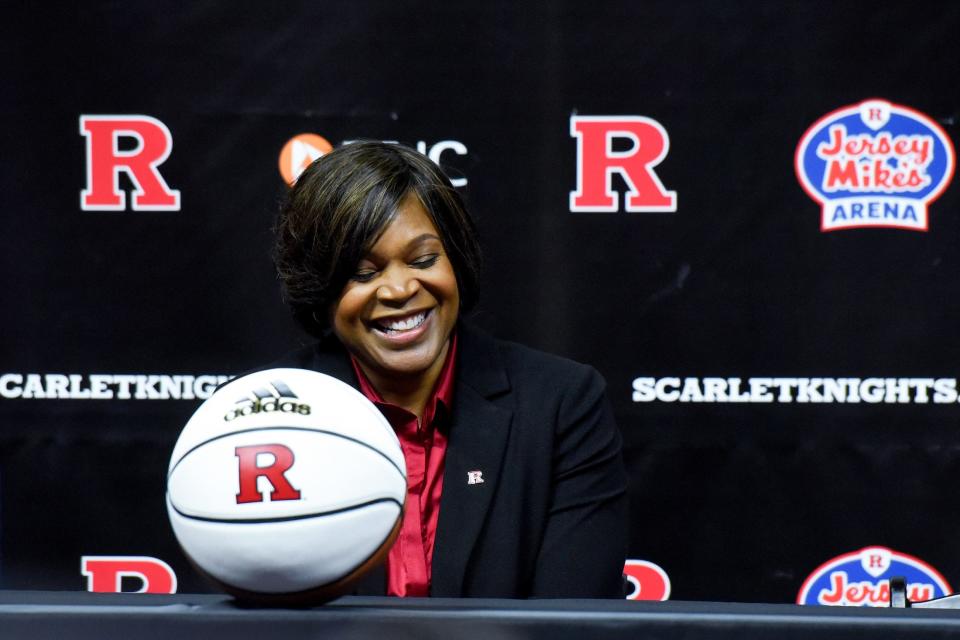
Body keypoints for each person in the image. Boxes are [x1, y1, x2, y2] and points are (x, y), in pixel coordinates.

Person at [271, 141, 628, 598]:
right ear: (320, 287)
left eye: (423, 260)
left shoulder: (562, 405)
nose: (400, 289)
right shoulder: (267, 417)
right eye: (363, 274)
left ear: (456, 261)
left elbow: (573, 625)